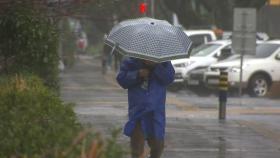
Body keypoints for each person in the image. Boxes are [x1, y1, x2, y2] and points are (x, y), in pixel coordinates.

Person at [116, 57, 175, 158]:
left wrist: (156, 66)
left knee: (158, 146)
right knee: (136, 149)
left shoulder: (164, 61)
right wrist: (137, 74)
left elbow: (169, 79)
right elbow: (122, 80)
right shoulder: (131, 61)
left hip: (155, 113)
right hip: (138, 112)